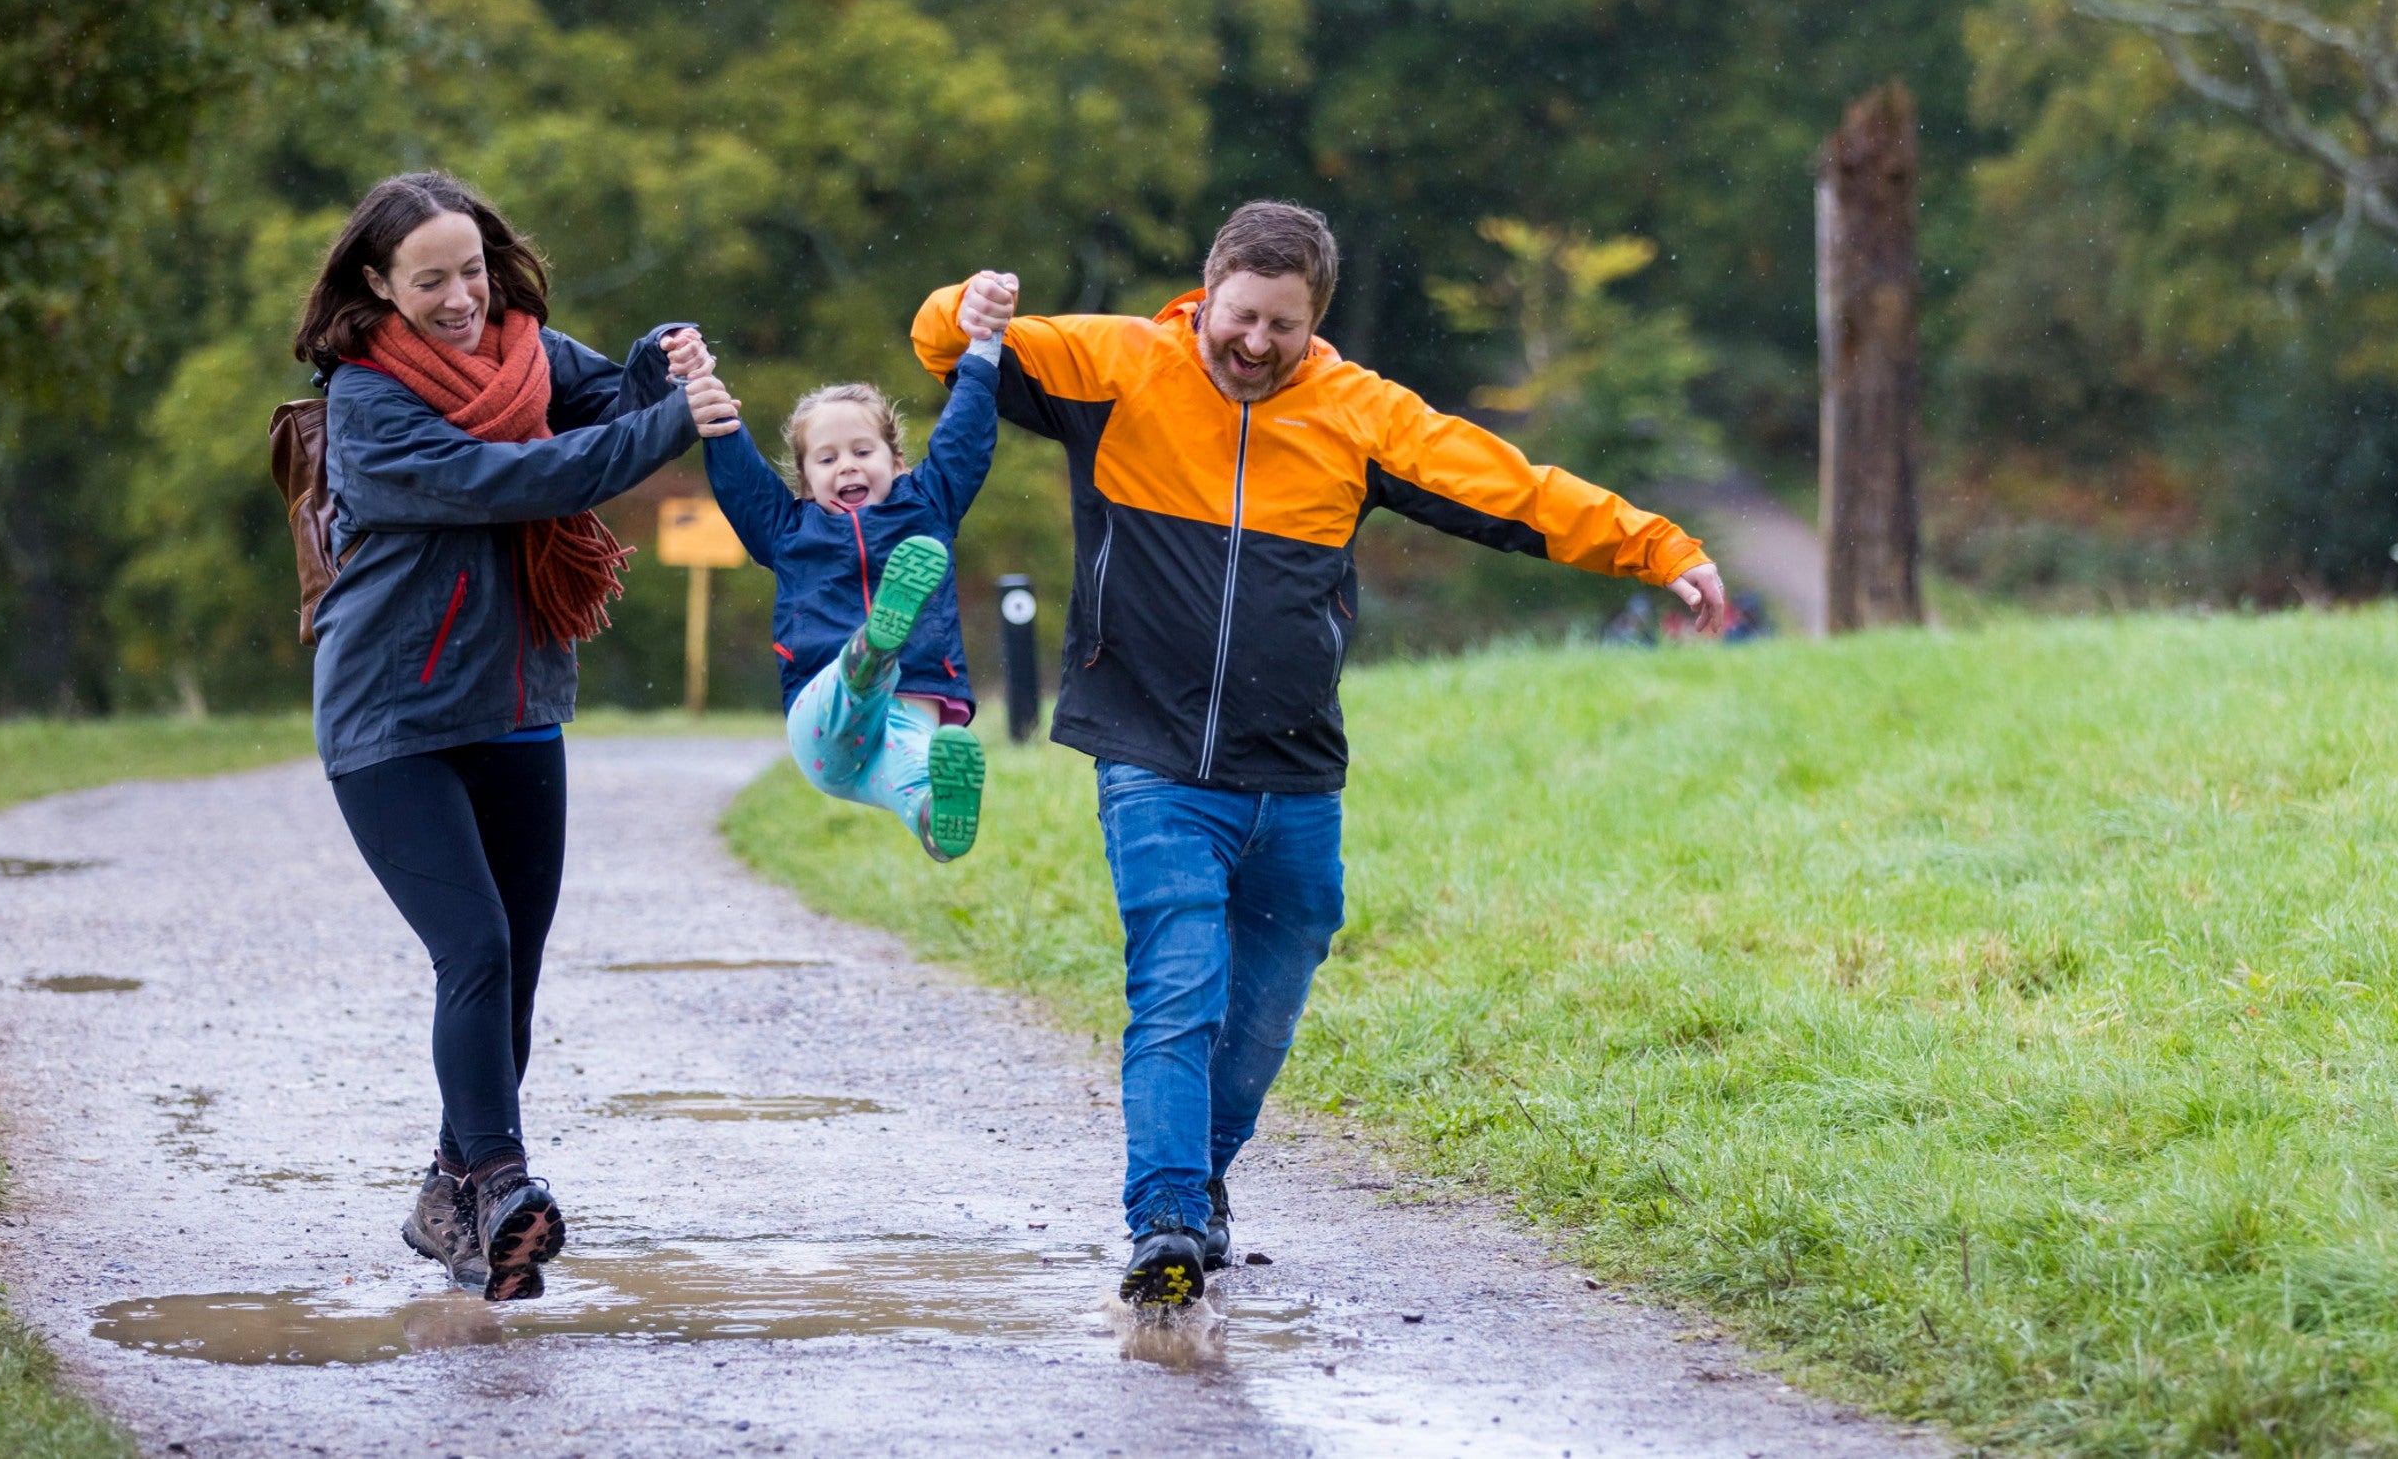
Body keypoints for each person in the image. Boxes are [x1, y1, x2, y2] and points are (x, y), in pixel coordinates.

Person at [910, 201, 1729, 1306]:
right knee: (1178, 985)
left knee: (1267, 1004)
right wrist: (968, 303)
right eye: (1241, 317)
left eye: (1282, 327)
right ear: (1207, 293)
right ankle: (1165, 1218)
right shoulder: (1114, 365)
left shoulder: (1360, 414)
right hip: (1149, 751)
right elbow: (947, 345)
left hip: (1293, 765)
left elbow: (1514, 489)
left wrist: (1657, 548)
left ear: (1315, 322)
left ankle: (1202, 1179)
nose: (1255, 343)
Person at [294, 171, 739, 1301]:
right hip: (392, 719)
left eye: (472, 272)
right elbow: (519, 477)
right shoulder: (367, 405)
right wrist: (669, 425)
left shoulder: (524, 353)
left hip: (518, 703)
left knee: (514, 970)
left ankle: (452, 1197)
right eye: (429, 281)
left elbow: (602, 405)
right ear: (377, 285)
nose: (460, 299)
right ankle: (500, 1182)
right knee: (475, 949)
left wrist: (658, 362)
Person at [692, 314, 1005, 860]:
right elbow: (740, 477)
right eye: (828, 458)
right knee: (852, 691)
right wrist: (700, 385)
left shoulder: (926, 506)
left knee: (913, 772)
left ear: (896, 460)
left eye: (863, 452)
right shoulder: (788, 531)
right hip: (823, 726)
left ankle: (935, 822)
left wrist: (985, 347)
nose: (847, 468)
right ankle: (868, 657)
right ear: (806, 479)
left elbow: (964, 439)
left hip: (910, 710)